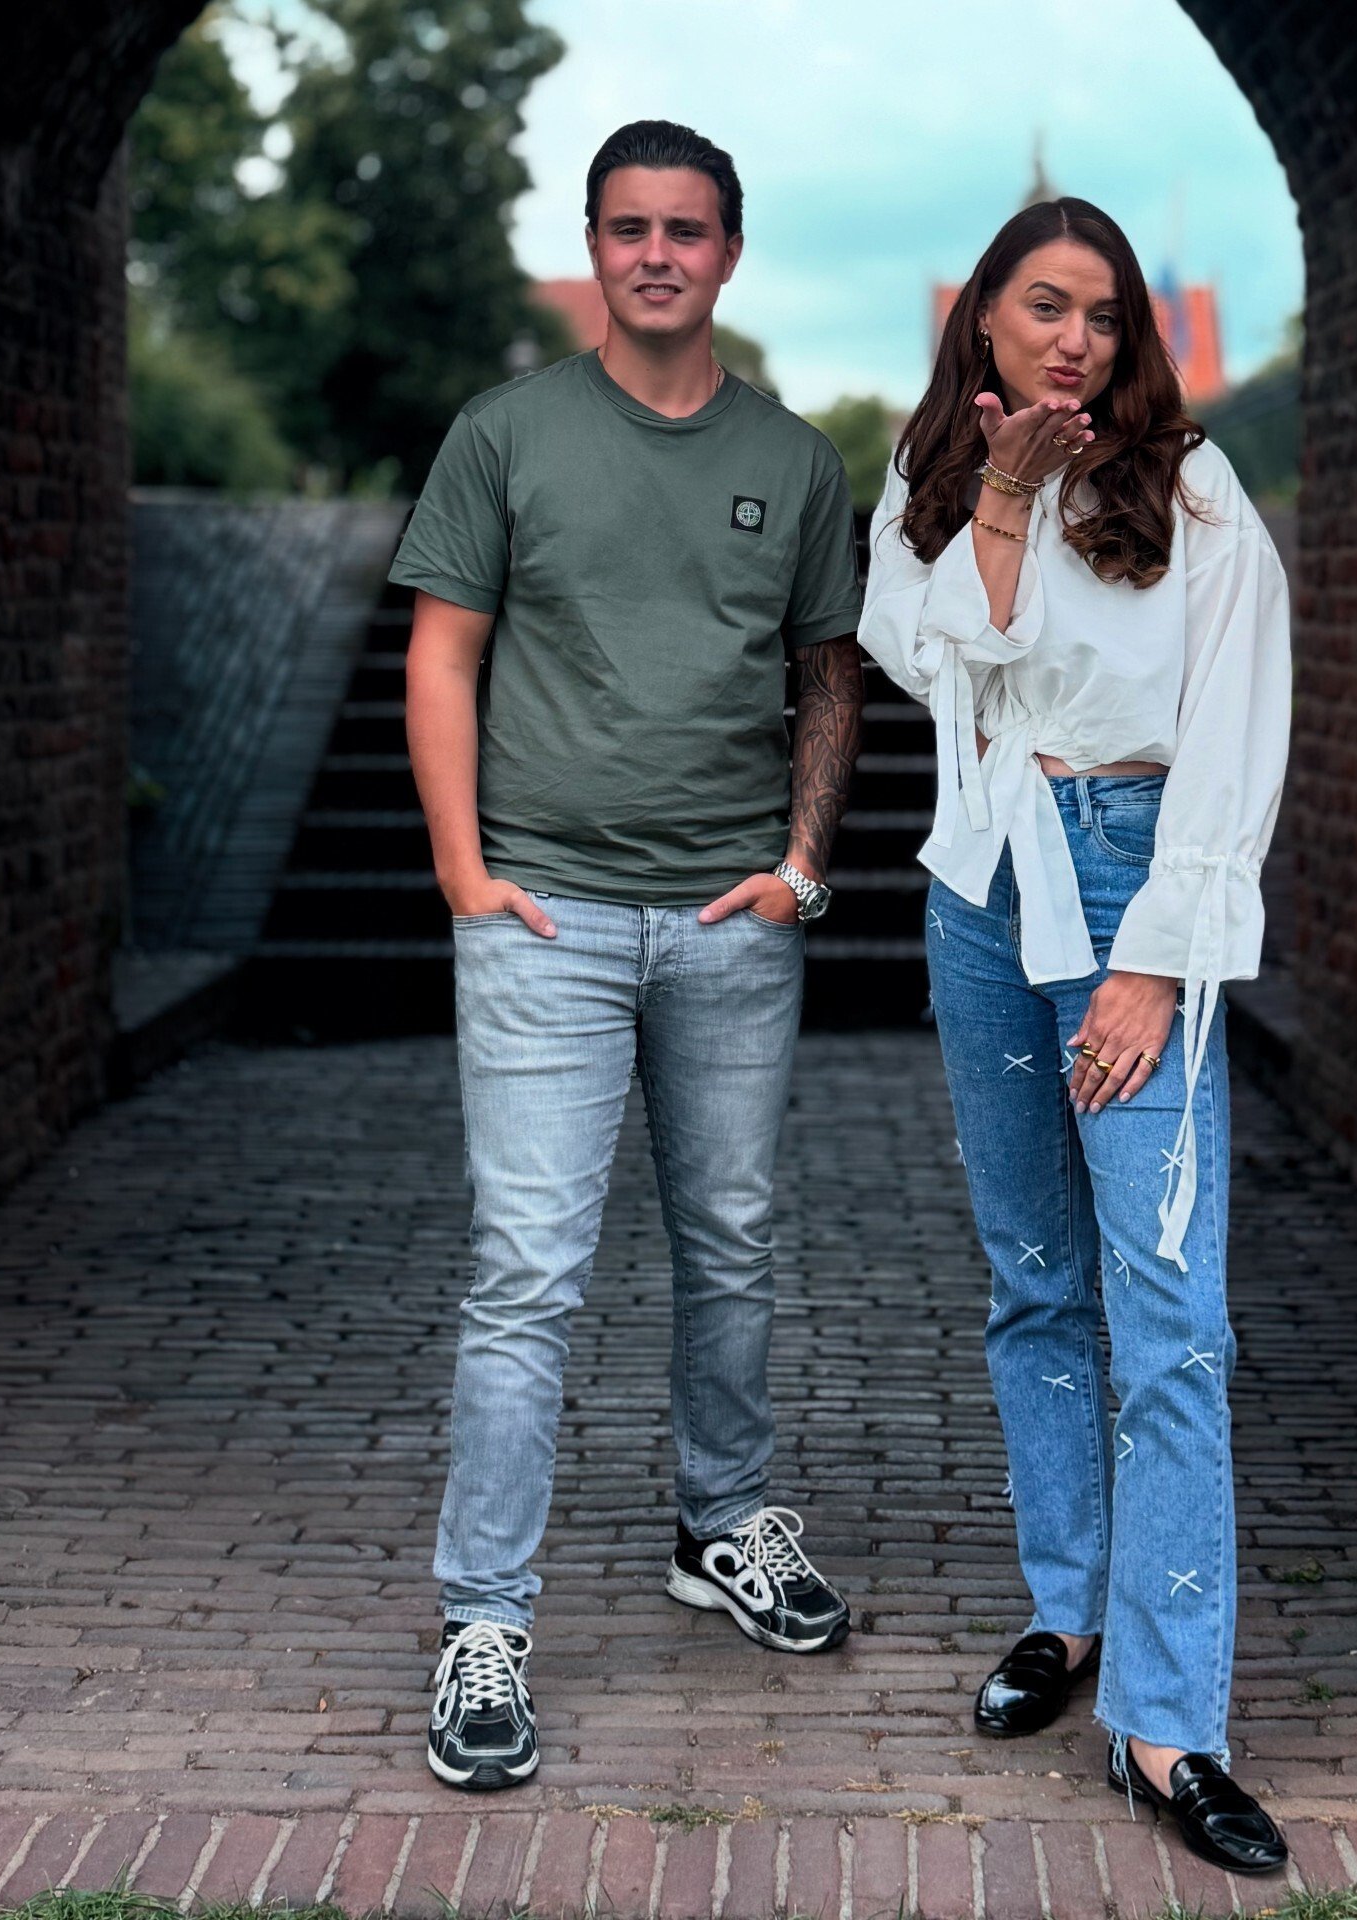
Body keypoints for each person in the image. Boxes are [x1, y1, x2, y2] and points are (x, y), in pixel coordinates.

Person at [394, 119, 866, 1794]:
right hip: (547, 919)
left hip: (731, 925)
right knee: (528, 1271)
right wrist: (465, 877)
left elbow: (828, 672)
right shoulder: (506, 435)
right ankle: (484, 1620)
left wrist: (801, 869)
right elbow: (443, 658)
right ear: (594, 246)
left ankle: (720, 1526)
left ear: (729, 250)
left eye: (686, 228)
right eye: (628, 227)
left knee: (731, 1243)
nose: (656, 253)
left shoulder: (795, 462)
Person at [858, 197, 1291, 1875]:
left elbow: (1233, 734)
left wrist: (1157, 961)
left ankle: (1171, 1726)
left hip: (1128, 878)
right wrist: (1002, 498)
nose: (1076, 340)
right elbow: (934, 665)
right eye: (1046, 306)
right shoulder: (929, 486)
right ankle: (1071, 1611)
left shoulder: (1195, 491)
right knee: (1034, 1279)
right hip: (981, 885)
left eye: (1104, 316)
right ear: (984, 316)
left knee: (1169, 1317)